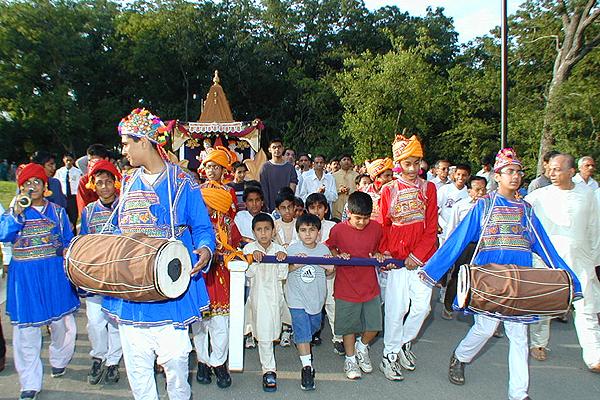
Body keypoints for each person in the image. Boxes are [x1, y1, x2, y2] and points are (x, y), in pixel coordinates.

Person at [420, 148, 583, 400]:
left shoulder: (526, 210)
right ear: (497, 176)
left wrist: (570, 279)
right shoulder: (484, 206)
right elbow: (459, 239)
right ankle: (460, 357)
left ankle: (519, 394)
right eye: (509, 171)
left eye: (518, 171)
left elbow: (545, 247)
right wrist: (433, 270)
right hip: (490, 280)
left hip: (519, 282)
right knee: (485, 329)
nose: (515, 176)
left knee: (519, 336)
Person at [102, 108, 215, 400]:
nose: (123, 149)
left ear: (144, 141)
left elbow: (203, 227)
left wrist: (204, 249)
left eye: (127, 143)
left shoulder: (182, 182)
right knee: (137, 365)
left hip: (170, 285)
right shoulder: (126, 183)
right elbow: (115, 228)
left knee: (177, 359)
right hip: (132, 287)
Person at [1, 163, 79, 400]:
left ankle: (59, 358)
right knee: (27, 331)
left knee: (63, 325)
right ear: (20, 187)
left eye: (36, 182)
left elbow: (68, 240)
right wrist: (16, 213)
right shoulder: (14, 211)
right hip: (25, 276)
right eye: (26, 183)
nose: (32, 187)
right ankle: (29, 382)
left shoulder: (57, 211)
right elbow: (4, 235)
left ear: (45, 186)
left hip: (54, 274)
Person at [525, 153, 600, 371]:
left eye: (558, 169)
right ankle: (538, 343)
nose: (552, 173)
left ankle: (594, 355)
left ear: (571, 172)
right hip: (548, 262)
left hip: (581, 260)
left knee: (586, 308)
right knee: (545, 305)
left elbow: (594, 229)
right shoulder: (539, 196)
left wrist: (594, 260)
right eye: (550, 169)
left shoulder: (588, 195)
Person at [377, 134, 438, 380]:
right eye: (407, 163)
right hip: (397, 260)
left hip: (422, 259)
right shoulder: (388, 189)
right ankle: (389, 356)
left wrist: (418, 254)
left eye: (416, 162)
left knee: (422, 308)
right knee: (396, 308)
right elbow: (384, 224)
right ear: (398, 164)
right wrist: (387, 252)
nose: (412, 169)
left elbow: (431, 226)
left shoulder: (428, 188)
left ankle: (402, 343)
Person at [325, 191, 386, 380]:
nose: (362, 222)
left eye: (366, 218)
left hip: (370, 285)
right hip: (346, 286)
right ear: (349, 212)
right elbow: (331, 246)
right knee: (348, 327)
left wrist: (379, 254)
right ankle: (350, 359)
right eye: (358, 218)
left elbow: (379, 249)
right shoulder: (338, 230)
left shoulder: (377, 228)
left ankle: (362, 347)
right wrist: (337, 255)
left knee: (375, 325)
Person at [193, 186, 243, 389]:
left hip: (221, 278)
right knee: (199, 325)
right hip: (199, 279)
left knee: (221, 326)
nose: (202, 208)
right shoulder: (192, 226)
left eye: (205, 205)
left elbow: (237, 245)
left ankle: (218, 363)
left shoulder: (228, 223)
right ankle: (203, 362)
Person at [79, 160, 123, 385]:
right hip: (95, 275)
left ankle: (113, 361)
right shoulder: (88, 212)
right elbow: (84, 242)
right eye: (99, 183)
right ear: (93, 186)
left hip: (117, 274)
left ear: (116, 183)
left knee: (115, 320)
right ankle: (99, 356)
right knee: (95, 320)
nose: (104, 187)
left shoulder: (124, 207)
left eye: (108, 182)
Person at [286, 213, 334, 390]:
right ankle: (307, 368)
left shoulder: (323, 250)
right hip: (296, 298)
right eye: (303, 230)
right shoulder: (292, 249)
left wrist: (327, 266)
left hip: (316, 299)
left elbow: (330, 272)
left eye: (312, 230)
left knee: (313, 327)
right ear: (298, 232)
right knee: (304, 331)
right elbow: (285, 271)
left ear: (319, 233)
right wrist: (294, 264)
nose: (308, 234)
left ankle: (299, 337)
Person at [243, 213, 287, 392]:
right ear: (253, 232)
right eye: (259, 230)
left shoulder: (279, 249)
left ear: (273, 230)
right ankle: (269, 370)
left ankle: (268, 367)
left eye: (267, 229)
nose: (263, 233)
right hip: (258, 298)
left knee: (271, 332)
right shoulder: (248, 249)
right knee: (265, 334)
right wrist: (253, 258)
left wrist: (281, 259)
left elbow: (282, 275)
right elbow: (247, 275)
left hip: (276, 298)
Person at [305, 193, 341, 351]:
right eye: (312, 207)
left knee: (332, 305)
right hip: (310, 273)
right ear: (307, 210)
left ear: (326, 209)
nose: (316, 211)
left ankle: (338, 338)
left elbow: (337, 248)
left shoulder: (333, 227)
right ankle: (311, 335)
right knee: (312, 305)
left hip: (329, 273)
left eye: (320, 207)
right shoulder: (303, 226)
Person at [259, 138, 298, 212]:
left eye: (279, 147)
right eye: (274, 147)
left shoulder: (290, 167)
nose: (277, 149)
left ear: (283, 149)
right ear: (269, 149)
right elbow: (264, 189)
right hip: (270, 208)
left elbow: (292, 188)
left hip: (287, 208)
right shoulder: (265, 167)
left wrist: (288, 205)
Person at [199, 146, 238, 217]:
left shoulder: (229, 191)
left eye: (215, 167)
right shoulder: (199, 190)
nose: (211, 170)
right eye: (208, 167)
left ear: (223, 170)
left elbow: (232, 213)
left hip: (223, 226)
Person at [437, 164, 471, 241]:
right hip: (444, 229)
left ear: (468, 176)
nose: (461, 177)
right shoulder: (444, 189)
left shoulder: (469, 192)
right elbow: (436, 208)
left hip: (461, 231)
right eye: (458, 174)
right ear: (454, 175)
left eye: (464, 175)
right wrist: (437, 225)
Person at [76, 144, 111, 214]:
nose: (91, 164)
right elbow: (83, 206)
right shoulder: (84, 181)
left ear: (106, 160)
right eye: (89, 161)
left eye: (95, 161)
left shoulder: (116, 178)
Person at [54, 152, 83, 230]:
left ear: (73, 161)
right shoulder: (59, 172)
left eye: (70, 160)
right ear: (63, 160)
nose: (68, 162)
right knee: (62, 218)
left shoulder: (78, 172)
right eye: (67, 160)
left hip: (73, 198)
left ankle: (73, 236)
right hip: (63, 197)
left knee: (73, 218)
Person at [332, 155, 358, 220]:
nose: (346, 161)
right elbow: (331, 191)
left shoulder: (356, 175)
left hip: (352, 205)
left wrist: (350, 191)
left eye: (348, 160)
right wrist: (339, 190)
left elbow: (359, 190)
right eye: (344, 159)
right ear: (340, 163)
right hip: (337, 206)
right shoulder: (333, 176)